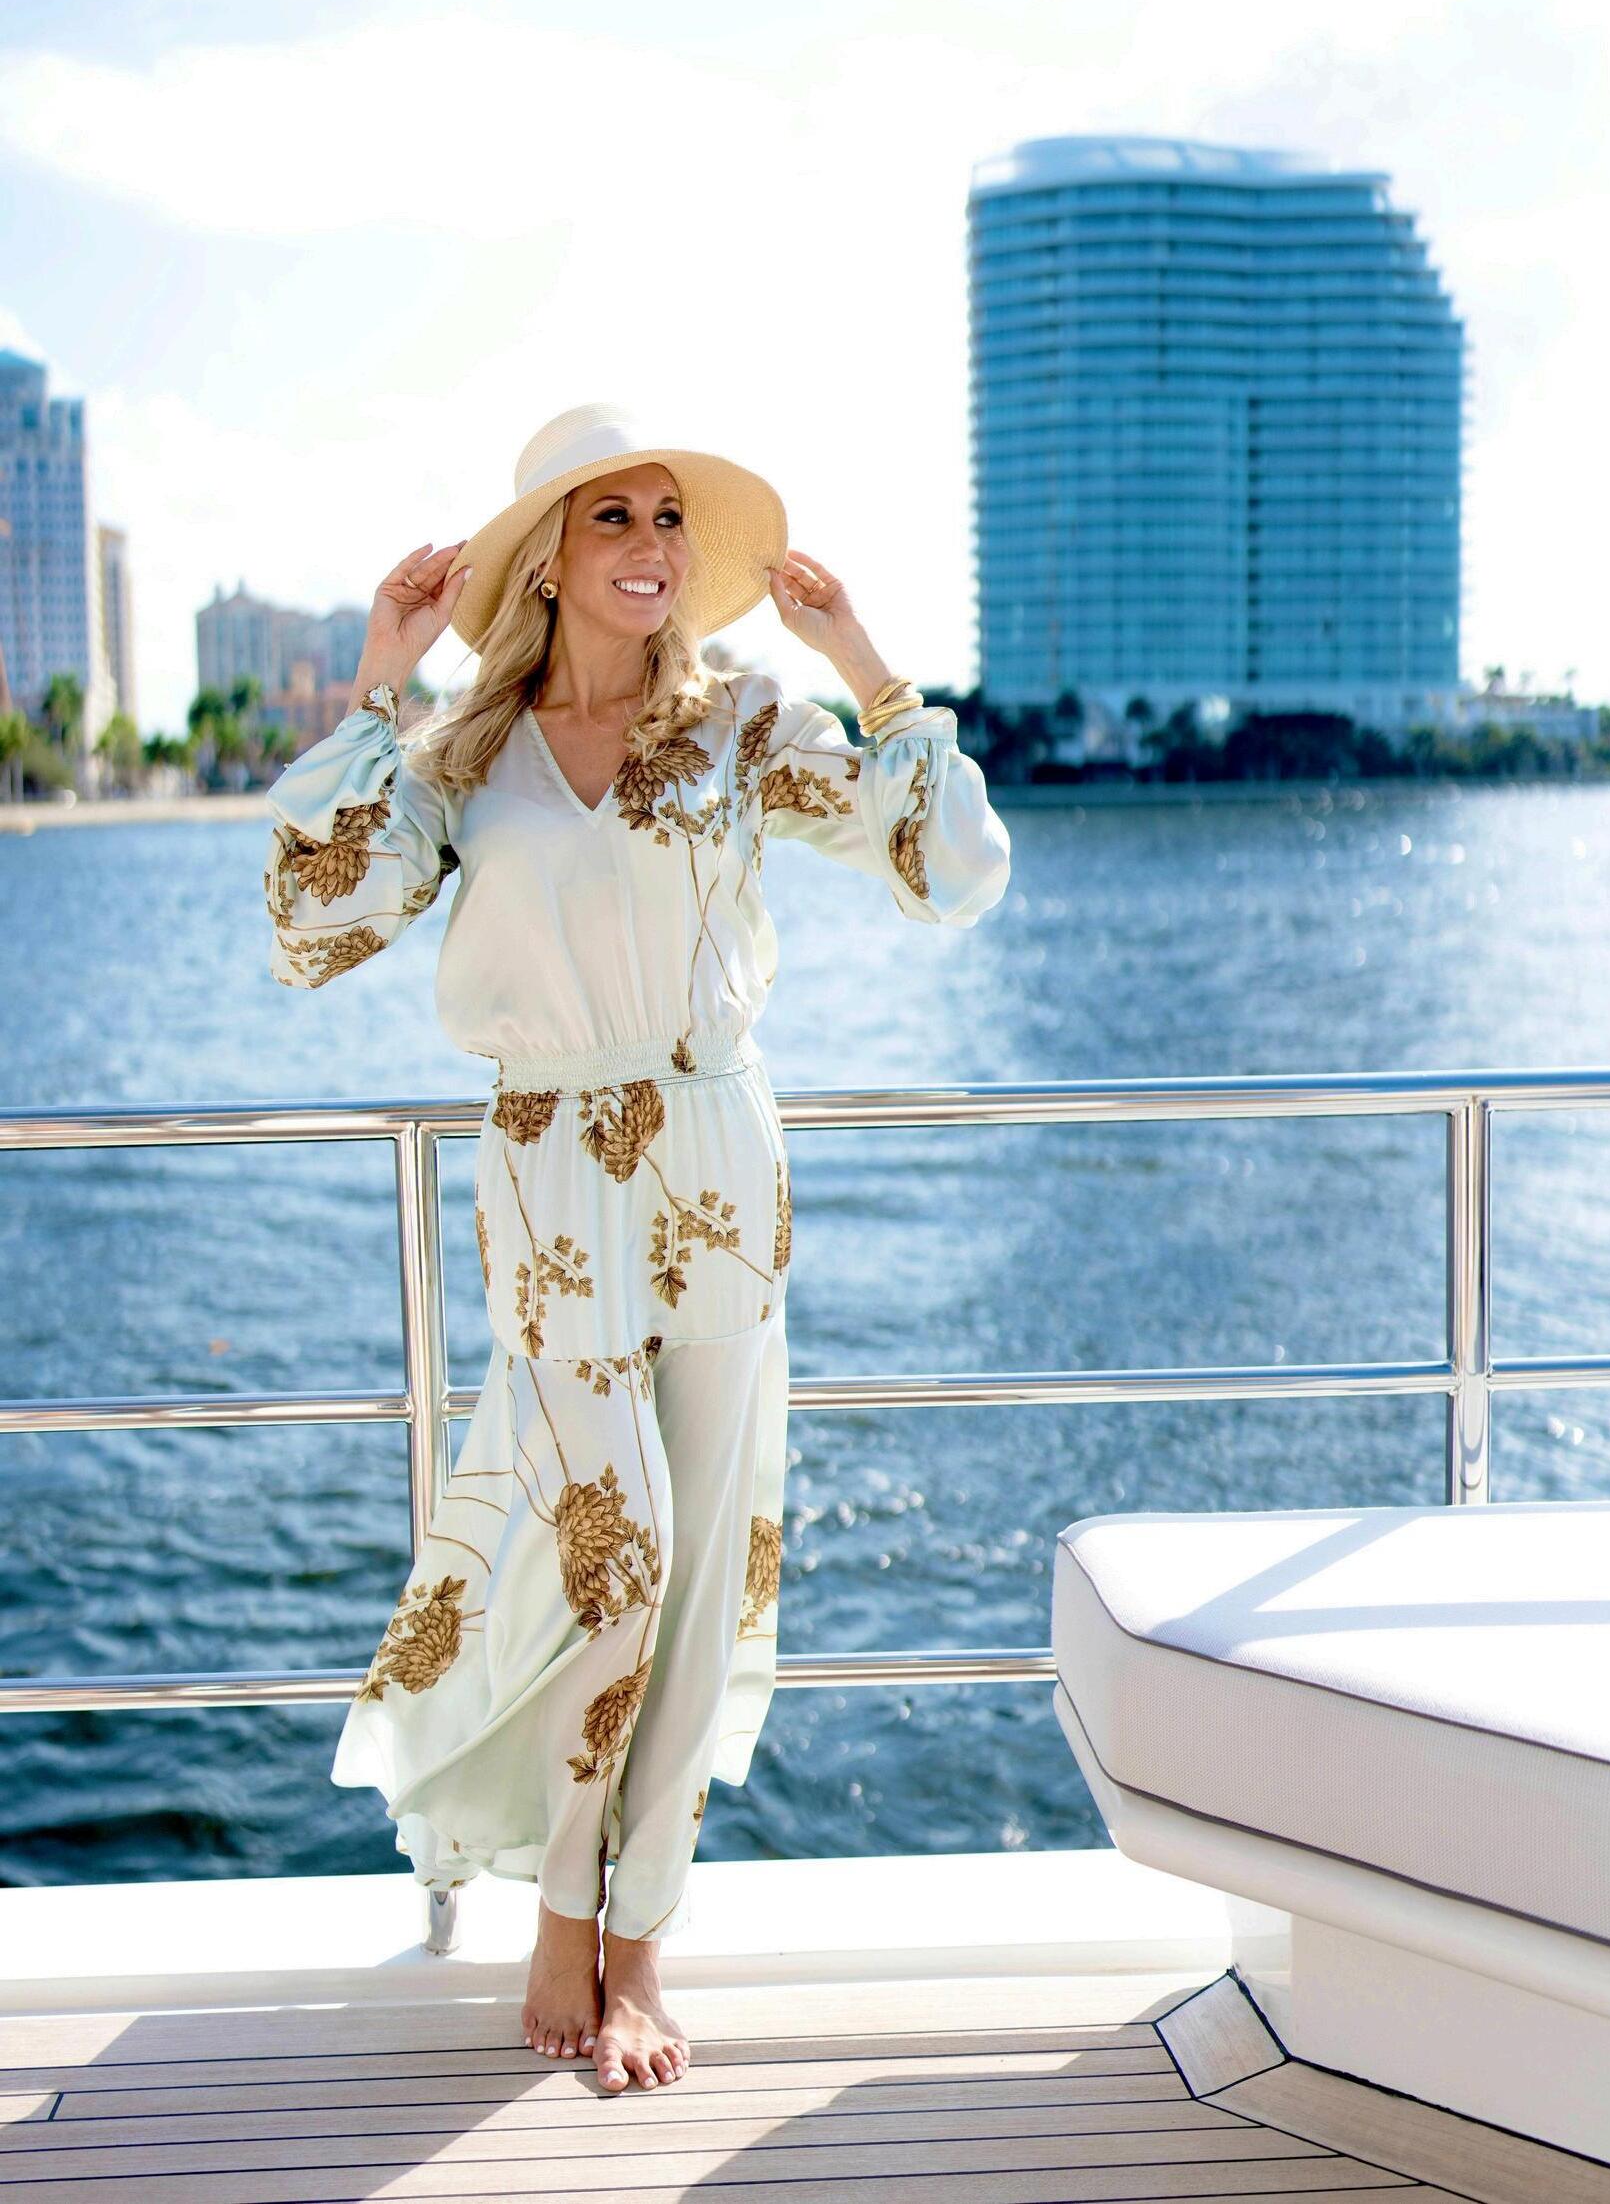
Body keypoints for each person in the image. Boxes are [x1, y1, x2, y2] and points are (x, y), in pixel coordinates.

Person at [261, 399, 1012, 2094]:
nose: (655, 544)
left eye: (671, 516)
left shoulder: (742, 725)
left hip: (719, 1162)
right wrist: (378, 680)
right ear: (548, 554)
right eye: (616, 515)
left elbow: (951, 872)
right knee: (623, 1553)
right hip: (546, 1172)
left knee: (702, 1560)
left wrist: (868, 666)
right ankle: (560, 1906)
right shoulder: (468, 756)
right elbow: (312, 922)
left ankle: (640, 1935)